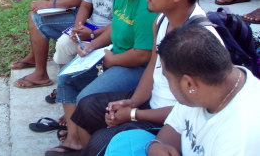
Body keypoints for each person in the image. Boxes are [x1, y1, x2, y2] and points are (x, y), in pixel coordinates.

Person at [70, 0, 220, 156]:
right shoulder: (161, 20)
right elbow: (152, 66)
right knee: (87, 107)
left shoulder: (199, 42)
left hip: (172, 125)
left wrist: (134, 114)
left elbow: (193, 113)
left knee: (100, 142)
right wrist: (132, 102)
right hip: (149, 103)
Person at [45, 0, 157, 155]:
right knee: (67, 78)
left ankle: (90, 149)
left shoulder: (146, 5)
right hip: (114, 54)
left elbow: (143, 54)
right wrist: (92, 45)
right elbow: (115, 25)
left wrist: (112, 60)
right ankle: (74, 139)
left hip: (134, 66)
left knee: (86, 97)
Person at [106, 25, 260, 156]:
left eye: (167, 78)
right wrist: (157, 146)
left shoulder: (241, 138)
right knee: (127, 139)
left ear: (189, 84)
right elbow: (175, 125)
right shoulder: (208, 87)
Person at [46, 0, 128, 104]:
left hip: (108, 32)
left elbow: (121, 22)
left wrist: (92, 35)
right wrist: (78, 29)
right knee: (63, 43)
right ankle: (64, 87)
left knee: (89, 54)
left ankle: (74, 93)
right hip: (90, 26)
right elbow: (84, 6)